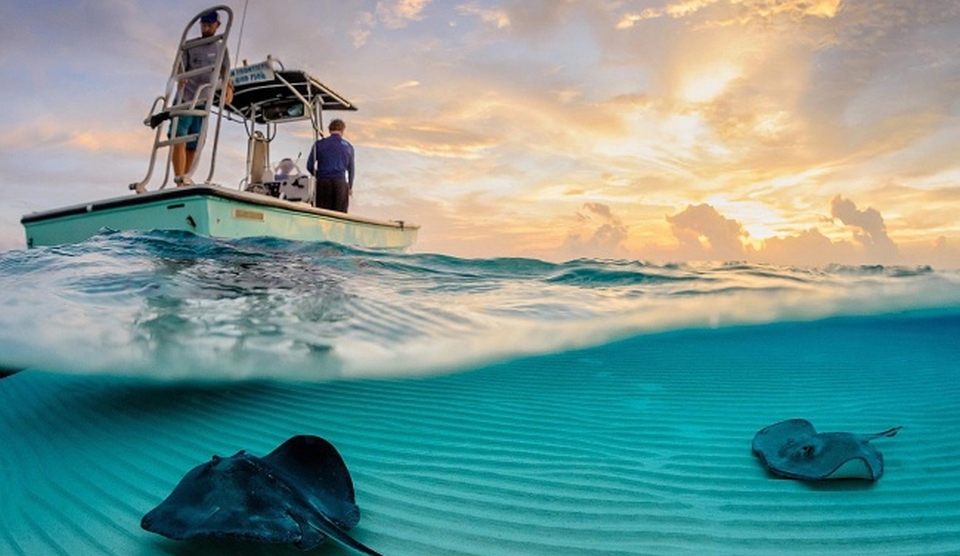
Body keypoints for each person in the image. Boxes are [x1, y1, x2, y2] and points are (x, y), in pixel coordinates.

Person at [171, 10, 233, 185]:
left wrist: (229, 88)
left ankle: (186, 176)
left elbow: (225, 70)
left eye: (209, 24)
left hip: (203, 101)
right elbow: (179, 66)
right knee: (179, 137)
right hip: (186, 98)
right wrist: (180, 77)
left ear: (217, 25)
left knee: (195, 143)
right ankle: (179, 180)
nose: (205, 27)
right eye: (203, 24)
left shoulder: (221, 47)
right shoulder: (190, 45)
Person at [307, 119, 354, 212]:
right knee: (340, 216)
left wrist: (318, 175)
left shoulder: (319, 144)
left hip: (323, 183)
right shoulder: (348, 146)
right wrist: (350, 186)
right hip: (340, 183)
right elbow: (351, 170)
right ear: (343, 130)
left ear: (329, 130)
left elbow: (309, 165)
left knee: (322, 213)